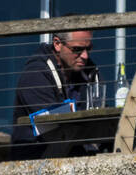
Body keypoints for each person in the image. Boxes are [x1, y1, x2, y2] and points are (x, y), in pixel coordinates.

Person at [10, 29, 101, 160]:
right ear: (57, 44)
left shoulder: (90, 72)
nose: (85, 56)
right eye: (77, 49)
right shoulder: (35, 74)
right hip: (37, 160)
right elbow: (54, 128)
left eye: (89, 48)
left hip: (77, 156)